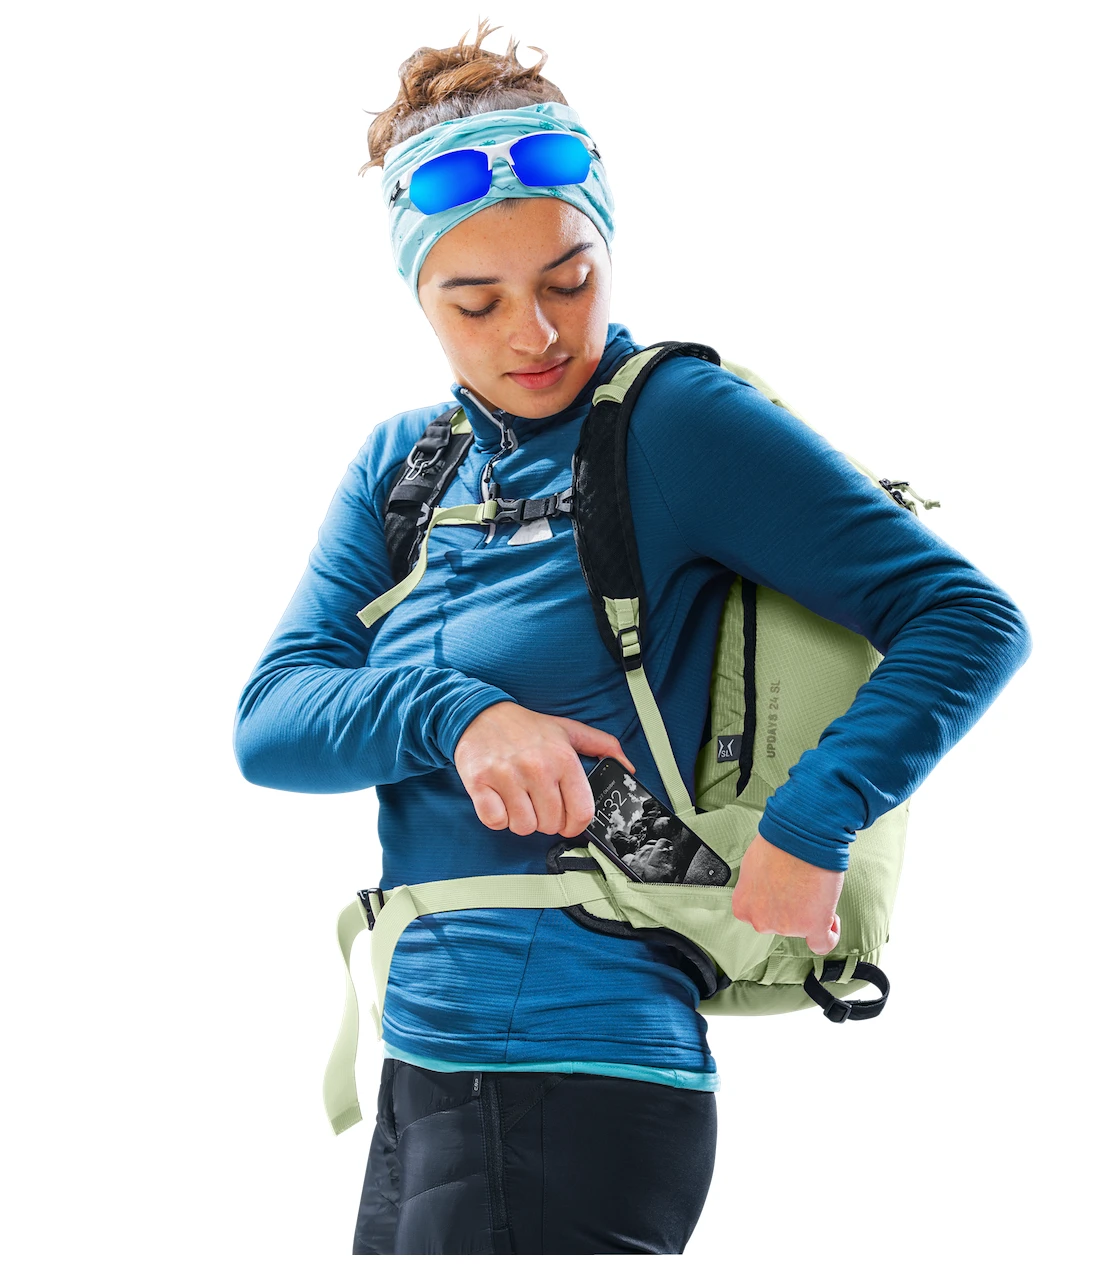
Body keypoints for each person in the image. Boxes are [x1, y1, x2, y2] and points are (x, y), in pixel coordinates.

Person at [233, 20, 1032, 1256]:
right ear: (417, 296)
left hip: (575, 1064)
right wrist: (461, 715)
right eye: (476, 301)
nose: (536, 333)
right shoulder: (405, 469)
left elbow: (965, 614)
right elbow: (272, 722)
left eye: (569, 279)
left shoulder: (670, 421)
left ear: (606, 246)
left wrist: (811, 820)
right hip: (428, 1058)